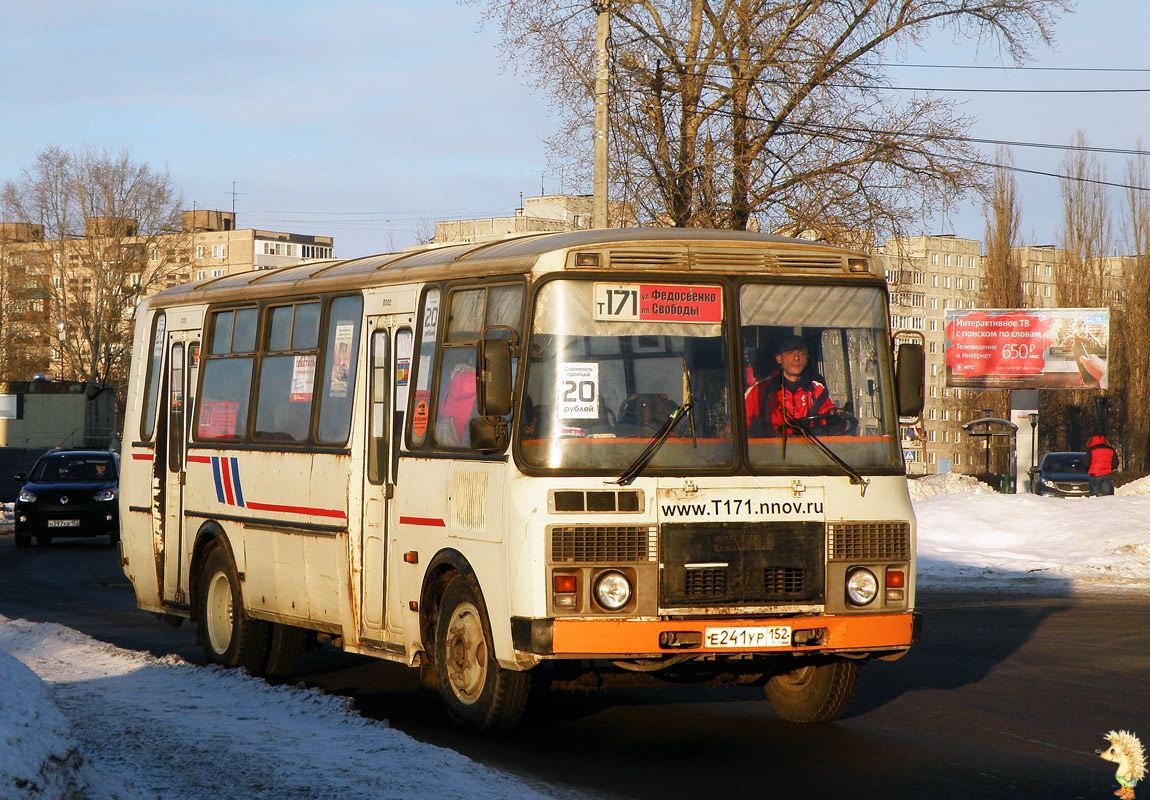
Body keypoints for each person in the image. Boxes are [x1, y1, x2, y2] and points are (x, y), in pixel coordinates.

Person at [745, 335, 841, 435]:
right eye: (790, 353)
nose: (796, 358)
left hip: (810, 448)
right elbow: (743, 423)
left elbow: (832, 420)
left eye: (802, 353)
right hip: (772, 449)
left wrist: (837, 418)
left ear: (807, 359)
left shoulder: (817, 391)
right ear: (779, 358)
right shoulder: (760, 390)